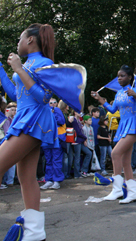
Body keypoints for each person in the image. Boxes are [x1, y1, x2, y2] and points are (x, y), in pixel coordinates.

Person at [0, 23, 59, 240]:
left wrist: (18, 68)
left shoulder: (46, 64)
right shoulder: (26, 64)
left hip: (34, 121)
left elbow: (44, 97)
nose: (18, 43)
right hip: (24, 120)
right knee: (25, 177)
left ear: (30, 40)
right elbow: (16, 95)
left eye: (20, 38)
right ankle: (35, 232)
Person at [91, 64, 136, 204]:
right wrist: (99, 99)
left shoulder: (134, 90)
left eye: (122, 76)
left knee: (115, 153)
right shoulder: (118, 93)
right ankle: (133, 193)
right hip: (123, 126)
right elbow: (111, 108)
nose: (119, 78)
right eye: (118, 76)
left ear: (129, 77)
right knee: (125, 161)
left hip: (134, 125)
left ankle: (117, 190)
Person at [40, 98, 66, 190]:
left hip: (57, 138)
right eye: (50, 102)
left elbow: (62, 121)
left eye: (54, 102)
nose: (53, 104)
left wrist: (52, 115)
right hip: (46, 138)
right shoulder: (42, 110)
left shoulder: (57, 110)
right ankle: (49, 180)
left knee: (56, 159)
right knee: (48, 160)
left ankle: (56, 180)